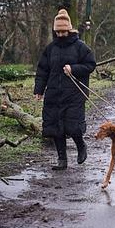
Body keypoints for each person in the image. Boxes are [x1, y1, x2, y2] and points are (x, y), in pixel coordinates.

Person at [34, 9, 96, 170]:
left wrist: (73, 69)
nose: (61, 34)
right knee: (55, 128)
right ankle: (62, 160)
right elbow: (43, 70)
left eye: (63, 31)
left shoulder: (80, 47)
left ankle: (81, 146)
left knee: (73, 126)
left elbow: (90, 65)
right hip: (54, 94)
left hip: (74, 94)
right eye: (58, 31)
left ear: (69, 29)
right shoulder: (50, 49)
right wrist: (39, 90)